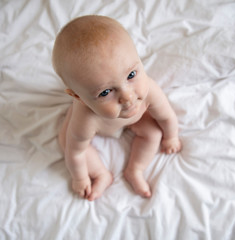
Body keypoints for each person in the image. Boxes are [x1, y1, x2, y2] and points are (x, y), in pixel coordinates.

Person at [52, 15, 182, 201]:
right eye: (105, 92)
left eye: (131, 74)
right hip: (101, 125)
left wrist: (171, 137)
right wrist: (79, 178)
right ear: (78, 97)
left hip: (136, 120)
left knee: (154, 133)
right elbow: (76, 153)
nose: (128, 97)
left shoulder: (149, 91)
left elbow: (167, 117)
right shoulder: (85, 119)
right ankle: (101, 174)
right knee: (66, 141)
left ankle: (135, 170)